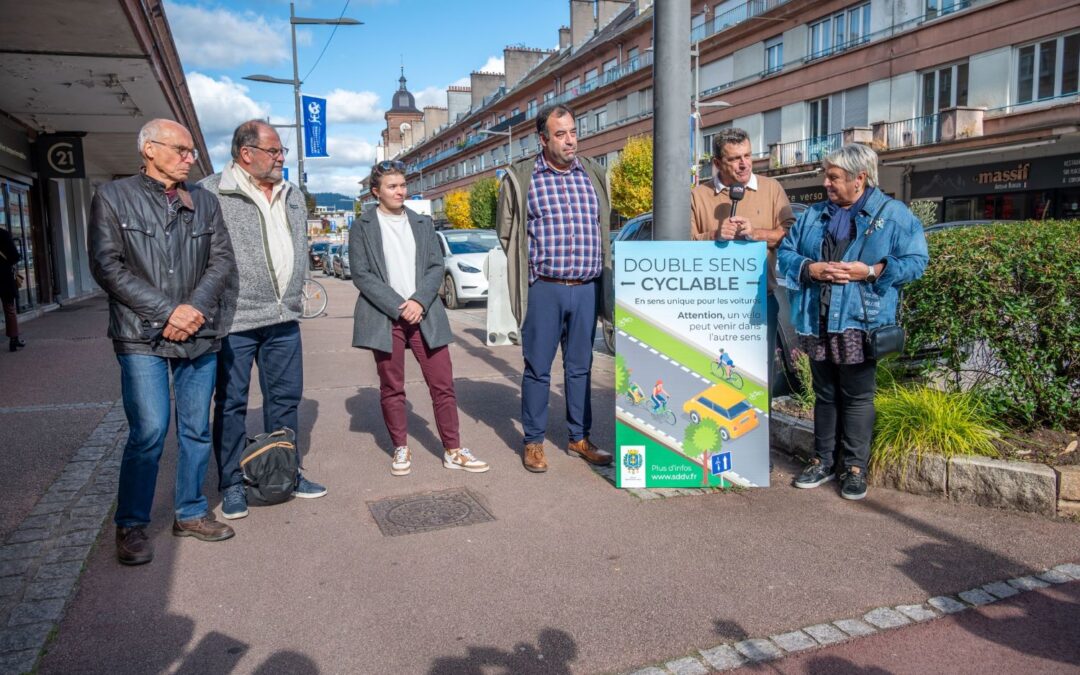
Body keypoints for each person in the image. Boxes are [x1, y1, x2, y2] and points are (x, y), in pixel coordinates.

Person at [89, 119, 236, 565]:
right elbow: (107, 267)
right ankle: (131, 524)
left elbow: (221, 261)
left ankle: (190, 512)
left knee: (194, 430)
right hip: (140, 335)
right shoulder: (112, 197)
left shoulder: (206, 203)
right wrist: (167, 311)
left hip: (200, 333)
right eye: (182, 150)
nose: (190, 158)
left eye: (190, 151)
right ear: (150, 149)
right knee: (150, 430)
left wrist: (192, 310)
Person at [778, 144, 928, 500]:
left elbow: (917, 262)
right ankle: (822, 461)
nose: (826, 183)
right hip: (818, 319)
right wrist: (808, 268)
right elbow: (786, 254)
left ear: (860, 178)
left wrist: (874, 271)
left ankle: (855, 468)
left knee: (858, 396)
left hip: (861, 321)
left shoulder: (893, 215)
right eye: (826, 175)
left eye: (834, 177)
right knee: (825, 394)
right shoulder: (814, 215)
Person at [201, 120, 327, 520]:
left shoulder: (291, 194)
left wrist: (297, 289)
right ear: (246, 153)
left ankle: (285, 474)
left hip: (283, 318)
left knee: (284, 402)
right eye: (273, 152)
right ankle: (233, 483)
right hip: (235, 319)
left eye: (282, 152)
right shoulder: (210, 192)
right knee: (232, 404)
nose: (280, 158)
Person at [350, 160, 489, 477]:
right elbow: (362, 274)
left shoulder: (423, 223)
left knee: (443, 384)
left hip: (424, 312)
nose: (400, 191)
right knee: (392, 386)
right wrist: (400, 305)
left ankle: (453, 449)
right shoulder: (363, 226)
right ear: (376, 192)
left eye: (402, 185)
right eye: (392, 186)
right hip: (386, 316)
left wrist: (418, 301)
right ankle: (400, 446)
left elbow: (435, 267)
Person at [496, 103, 614, 473]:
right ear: (543, 138)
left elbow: (603, 228)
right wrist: (530, 272)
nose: (569, 140)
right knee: (538, 368)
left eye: (573, 132)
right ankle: (533, 441)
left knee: (580, 367)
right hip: (544, 289)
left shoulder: (594, 174)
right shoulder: (521, 177)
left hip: (586, 288)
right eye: (560, 134)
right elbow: (506, 233)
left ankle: (579, 437)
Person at [691, 128, 795, 393]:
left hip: (759, 300)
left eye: (747, 155)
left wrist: (757, 233)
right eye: (734, 158)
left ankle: (762, 432)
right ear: (717, 163)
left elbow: (792, 237)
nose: (744, 163)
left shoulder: (771, 189)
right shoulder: (697, 196)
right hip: (711, 304)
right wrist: (713, 235)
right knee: (712, 378)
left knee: (760, 380)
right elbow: (680, 246)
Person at [0, 227, 24, 351]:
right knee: (9, 308)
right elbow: (14, 256)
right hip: (3, 276)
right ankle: (13, 340)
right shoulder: (3, 234)